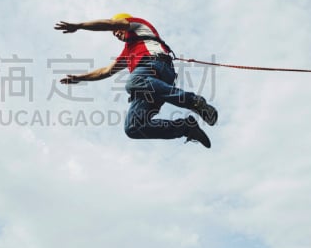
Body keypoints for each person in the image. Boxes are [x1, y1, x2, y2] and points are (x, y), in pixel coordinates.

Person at [54, 13, 218, 148]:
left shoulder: (139, 26)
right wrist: (79, 78)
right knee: (133, 128)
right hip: (148, 86)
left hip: (156, 65)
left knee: (133, 81)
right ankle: (186, 128)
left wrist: (79, 25)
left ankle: (194, 102)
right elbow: (106, 71)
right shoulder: (127, 52)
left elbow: (110, 23)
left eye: (117, 30)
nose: (116, 34)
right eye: (114, 34)